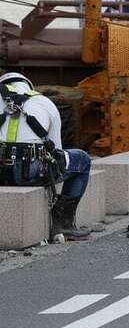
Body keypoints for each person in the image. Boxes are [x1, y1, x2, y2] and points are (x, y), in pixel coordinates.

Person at [0, 72, 92, 240]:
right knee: (83, 160)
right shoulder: (44, 102)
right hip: (30, 173)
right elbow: (57, 152)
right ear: (28, 85)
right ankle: (63, 225)